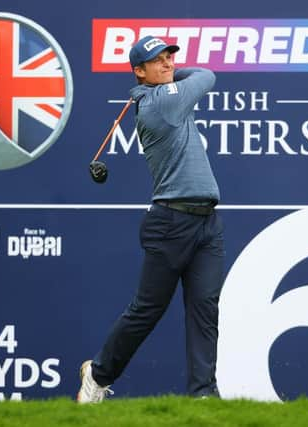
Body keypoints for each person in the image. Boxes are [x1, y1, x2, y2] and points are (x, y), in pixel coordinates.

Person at [77, 35, 225, 403]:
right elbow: (207, 75)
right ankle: (97, 374)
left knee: (205, 308)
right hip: (170, 223)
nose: (169, 63)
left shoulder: (164, 91)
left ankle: (203, 394)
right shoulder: (159, 104)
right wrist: (171, 79)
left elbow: (191, 76)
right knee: (146, 311)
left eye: (170, 57)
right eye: (158, 60)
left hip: (207, 223)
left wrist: (169, 75)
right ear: (139, 72)